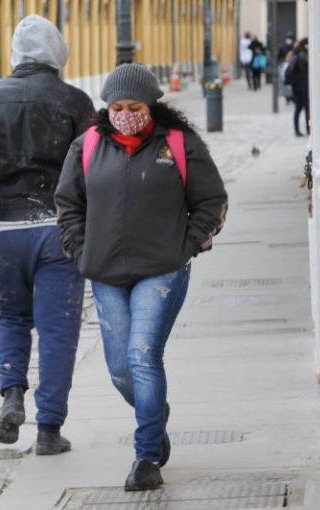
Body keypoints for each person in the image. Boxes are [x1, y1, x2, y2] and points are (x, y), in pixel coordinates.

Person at [55, 64, 228, 491]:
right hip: (106, 272)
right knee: (119, 370)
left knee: (143, 354)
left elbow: (211, 200)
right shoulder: (88, 145)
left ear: (151, 106)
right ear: (107, 107)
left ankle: (147, 456)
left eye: (134, 106)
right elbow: (67, 203)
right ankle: (155, 413)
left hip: (161, 271)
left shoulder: (178, 144)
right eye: (117, 106)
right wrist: (80, 250)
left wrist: (184, 247)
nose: (126, 113)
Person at [0, 14, 95, 454]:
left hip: (3, 231)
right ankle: (49, 429)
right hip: (58, 231)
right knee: (58, 330)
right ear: (58, 52)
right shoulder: (75, 101)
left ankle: (12, 393)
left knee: (10, 317)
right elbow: (94, 173)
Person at [288, 38, 310, 137]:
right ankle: (307, 129)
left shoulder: (297, 53)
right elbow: (308, 64)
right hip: (302, 85)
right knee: (304, 107)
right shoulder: (302, 55)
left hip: (296, 85)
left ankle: (298, 130)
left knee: (299, 108)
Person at [277, 31, 296, 105]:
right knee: (286, 82)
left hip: (293, 66)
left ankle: (293, 97)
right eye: (288, 38)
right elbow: (278, 57)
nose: (289, 40)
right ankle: (287, 98)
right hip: (285, 66)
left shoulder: (294, 47)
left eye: (290, 38)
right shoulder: (282, 47)